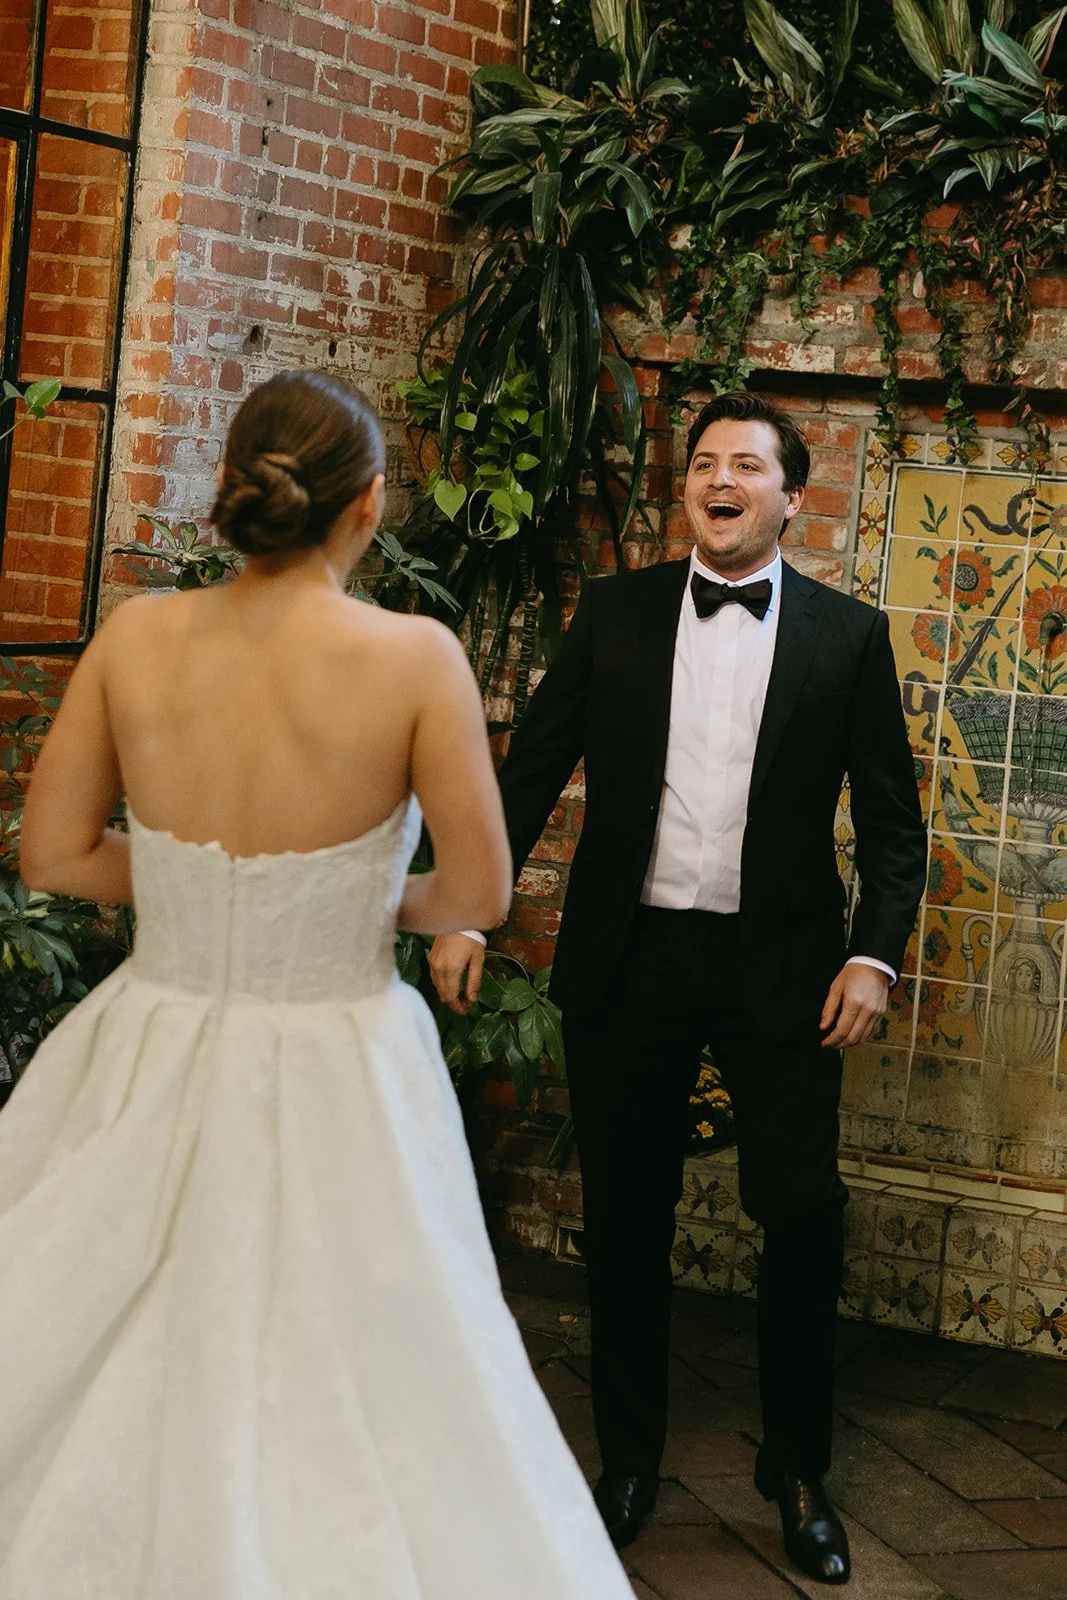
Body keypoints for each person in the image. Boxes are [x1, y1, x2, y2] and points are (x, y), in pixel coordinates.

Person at [0, 371, 634, 1600]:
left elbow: (56, 853)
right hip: (341, 1058)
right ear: (370, 505)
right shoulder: (412, 657)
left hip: (149, 1038)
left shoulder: (135, 634)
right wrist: (347, 898)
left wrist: (203, 894)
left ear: (241, 484)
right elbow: (477, 893)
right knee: (376, 1364)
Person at [430, 392, 927, 1586]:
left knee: (799, 1219)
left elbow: (893, 824)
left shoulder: (848, 637)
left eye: (745, 465)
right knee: (626, 1224)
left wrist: (871, 954)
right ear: (687, 491)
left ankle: (797, 1470)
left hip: (785, 972)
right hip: (631, 962)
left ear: (788, 498)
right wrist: (463, 907)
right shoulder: (612, 614)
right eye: (702, 461)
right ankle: (628, 1460)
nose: (718, 478)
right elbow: (528, 774)